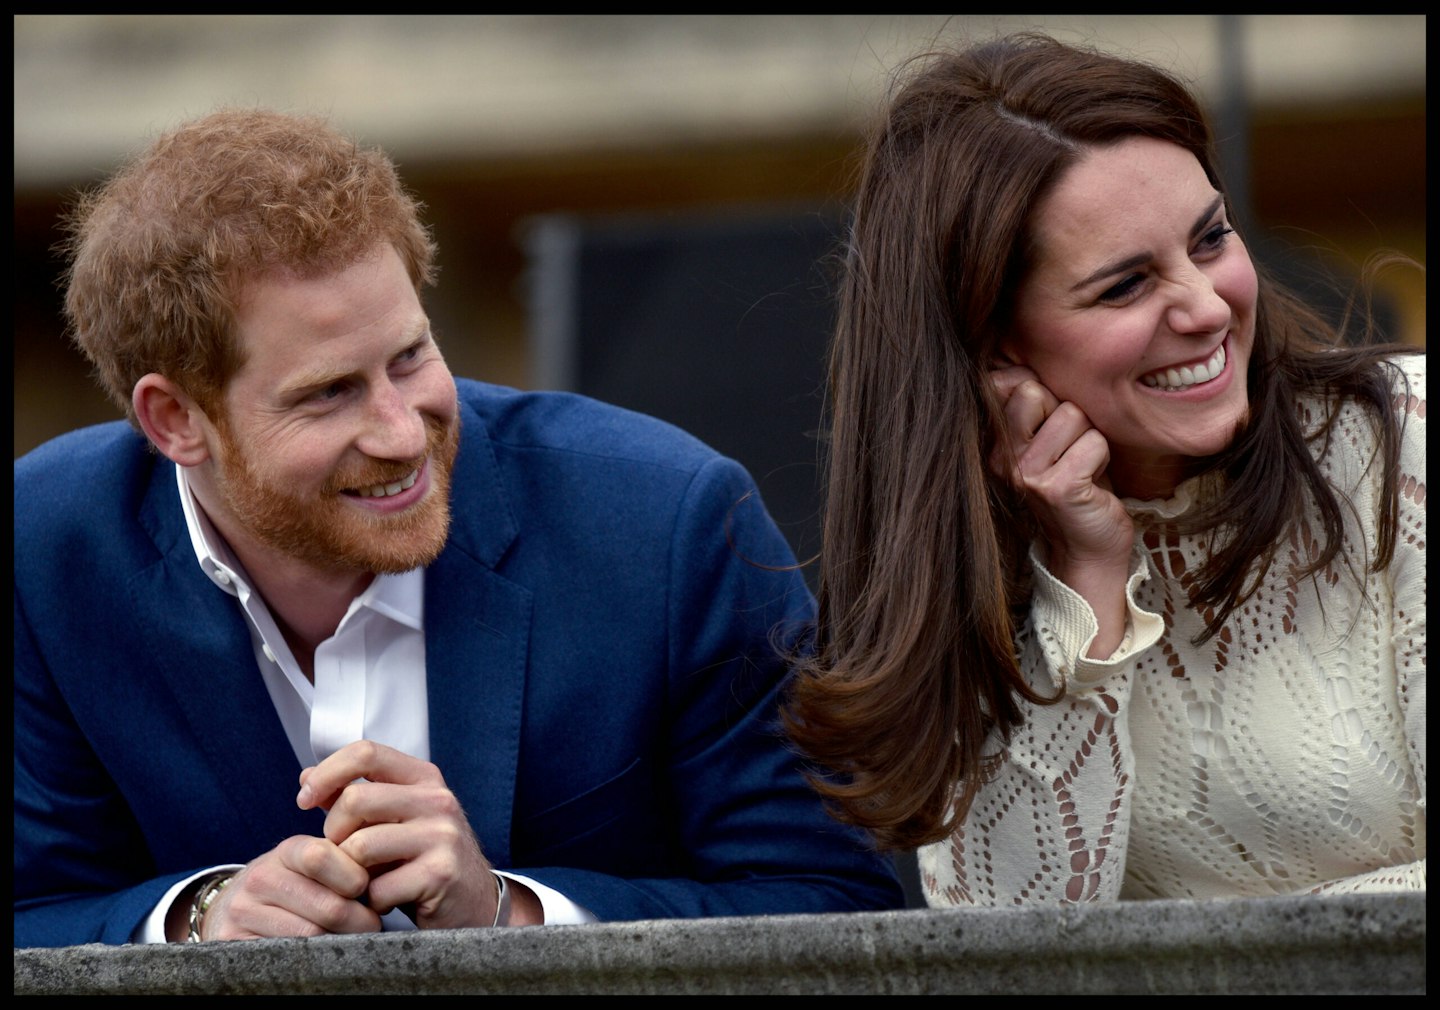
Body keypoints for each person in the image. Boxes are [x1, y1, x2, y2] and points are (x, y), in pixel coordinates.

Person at [13, 107, 902, 949]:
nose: (404, 433)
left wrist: (511, 912)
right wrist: (193, 918)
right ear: (174, 421)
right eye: (329, 392)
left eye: (411, 356)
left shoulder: (670, 524)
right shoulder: (43, 552)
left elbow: (834, 908)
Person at [784, 33, 1425, 904]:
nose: (1206, 307)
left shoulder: (1404, 445)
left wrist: (1246, 952)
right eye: (1125, 286)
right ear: (992, 349)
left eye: (1211, 240)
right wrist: (1086, 587)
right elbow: (1009, 954)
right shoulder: (979, 580)